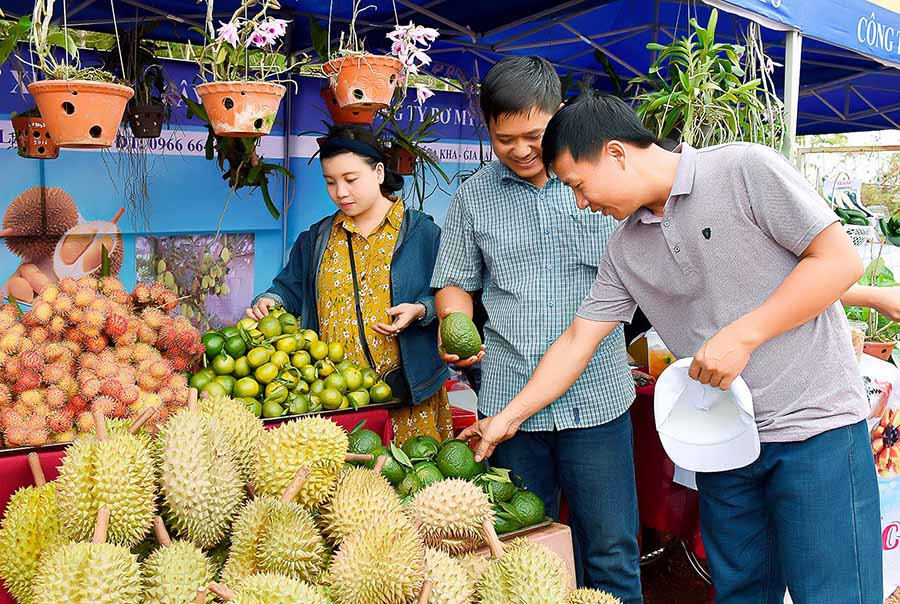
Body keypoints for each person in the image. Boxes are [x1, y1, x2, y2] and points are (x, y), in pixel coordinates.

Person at [461, 91, 881, 604]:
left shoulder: (744, 170)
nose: (581, 203)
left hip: (814, 427)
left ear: (616, 153)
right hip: (725, 439)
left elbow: (838, 261)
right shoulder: (624, 247)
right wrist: (508, 417)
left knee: (835, 593)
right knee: (741, 592)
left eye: (578, 185)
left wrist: (743, 334)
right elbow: (577, 340)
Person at [431, 57, 642, 601]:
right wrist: (455, 322)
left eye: (534, 136)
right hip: (509, 403)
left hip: (597, 399)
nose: (522, 150)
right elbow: (454, 281)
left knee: (611, 550)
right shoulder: (474, 197)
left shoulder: (597, 183)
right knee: (525, 551)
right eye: (505, 140)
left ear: (560, 115)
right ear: (487, 128)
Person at [247, 125, 452, 443]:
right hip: (337, 399)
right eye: (330, 182)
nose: (340, 192)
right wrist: (271, 300)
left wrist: (421, 310)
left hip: (409, 396)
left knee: (415, 472)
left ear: (379, 172)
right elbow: (289, 288)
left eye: (351, 179)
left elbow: (451, 294)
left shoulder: (422, 233)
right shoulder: (316, 238)